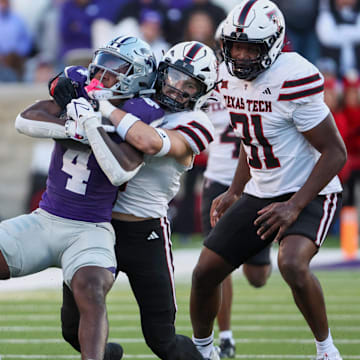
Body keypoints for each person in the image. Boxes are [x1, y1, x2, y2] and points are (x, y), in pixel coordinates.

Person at [33, 39, 219, 359]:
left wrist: (97, 103)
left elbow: (146, 140)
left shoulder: (195, 122)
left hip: (145, 233)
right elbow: (75, 76)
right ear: (160, 74)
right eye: (173, 77)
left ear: (203, 92)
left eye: (190, 85)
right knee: (71, 330)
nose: (177, 89)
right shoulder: (138, 98)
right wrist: (63, 84)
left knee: (162, 340)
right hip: (96, 226)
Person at [190, 1, 347, 360]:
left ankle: (326, 351)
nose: (241, 56)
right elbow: (252, 137)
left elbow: (335, 152)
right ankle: (203, 352)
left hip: (310, 190)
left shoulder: (293, 77)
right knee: (205, 273)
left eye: (251, 48)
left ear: (274, 45)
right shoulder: (226, 78)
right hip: (260, 190)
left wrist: (294, 206)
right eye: (236, 46)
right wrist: (234, 190)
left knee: (291, 264)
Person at [1, 36, 162, 360]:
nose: (102, 76)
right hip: (45, 220)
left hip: (90, 229)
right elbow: (26, 120)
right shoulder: (77, 90)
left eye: (115, 70)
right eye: (102, 66)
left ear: (137, 76)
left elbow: (120, 171)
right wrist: (68, 127)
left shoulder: (138, 115)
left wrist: (89, 124)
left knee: (91, 289)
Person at [201, 21, 272, 358]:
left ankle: (258, 248)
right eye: (232, 45)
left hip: (258, 183)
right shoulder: (208, 80)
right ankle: (224, 335)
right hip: (218, 181)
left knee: (257, 276)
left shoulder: (266, 82)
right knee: (216, 264)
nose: (239, 53)